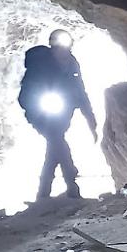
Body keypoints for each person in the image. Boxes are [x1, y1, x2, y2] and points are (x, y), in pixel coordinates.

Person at [18, 29, 99, 200]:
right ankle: (71, 185)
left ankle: (43, 194)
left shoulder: (72, 64)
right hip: (41, 115)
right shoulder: (40, 63)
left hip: (62, 115)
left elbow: (80, 92)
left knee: (54, 147)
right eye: (58, 48)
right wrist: (35, 110)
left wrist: (91, 120)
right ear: (52, 46)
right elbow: (27, 92)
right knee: (57, 142)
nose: (62, 52)